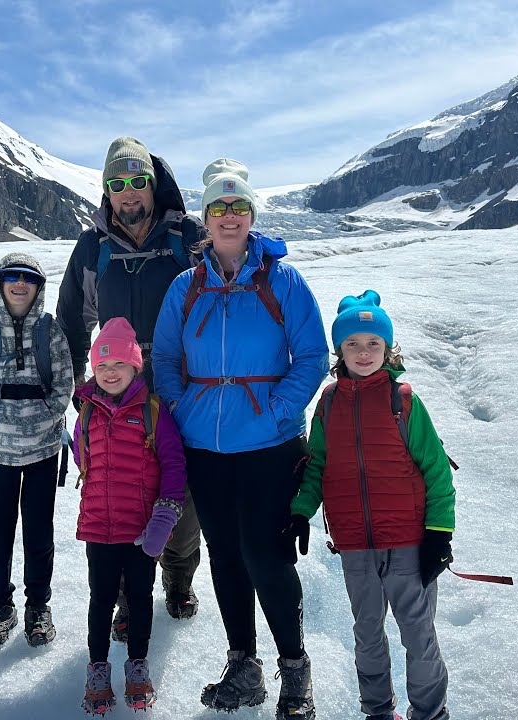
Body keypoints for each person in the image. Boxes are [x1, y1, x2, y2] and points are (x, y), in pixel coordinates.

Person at [152, 158, 329, 719]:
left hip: (271, 445)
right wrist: (182, 404)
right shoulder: (186, 285)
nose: (229, 217)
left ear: (252, 216)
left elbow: (311, 355)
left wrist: (279, 408)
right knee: (225, 555)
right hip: (205, 444)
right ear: (206, 220)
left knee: (266, 555)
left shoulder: (283, 280)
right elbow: (163, 356)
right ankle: (243, 663)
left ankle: (295, 668)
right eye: (219, 208)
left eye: (239, 207)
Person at [57, 136, 206, 634]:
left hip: (176, 380)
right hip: (114, 382)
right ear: (107, 190)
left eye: (137, 181)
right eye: (116, 184)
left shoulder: (187, 237)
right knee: (119, 486)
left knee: (177, 487)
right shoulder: (93, 246)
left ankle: (179, 580)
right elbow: (73, 320)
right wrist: (76, 390)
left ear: (152, 183)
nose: (128, 193)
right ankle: (124, 595)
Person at [286, 291, 456, 720]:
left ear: (388, 348)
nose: (364, 353)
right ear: (339, 350)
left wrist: (439, 532)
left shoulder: (404, 401)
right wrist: (301, 511)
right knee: (366, 635)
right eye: (353, 344)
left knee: (418, 635)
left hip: (409, 542)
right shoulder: (327, 403)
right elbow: (318, 465)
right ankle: (377, 711)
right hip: (356, 546)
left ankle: (430, 713)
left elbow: (436, 469)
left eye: (373, 344)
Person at [73, 317, 187, 715]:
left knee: (139, 599)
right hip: (99, 529)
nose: (109, 372)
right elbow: (82, 459)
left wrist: (164, 519)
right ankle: (98, 669)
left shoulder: (154, 412)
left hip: (141, 531)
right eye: (101, 366)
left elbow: (174, 469)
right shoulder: (86, 414)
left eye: (118, 364)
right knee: (101, 600)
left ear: (136, 367)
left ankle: (138, 666)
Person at [0, 253, 74, 649]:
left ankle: (38, 606)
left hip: (43, 452)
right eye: (12, 277)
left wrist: (43, 417)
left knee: (39, 534)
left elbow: (63, 382)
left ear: (39, 286)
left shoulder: (50, 330)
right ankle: (0, 607)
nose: (20, 284)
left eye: (29, 278)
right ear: (0, 283)